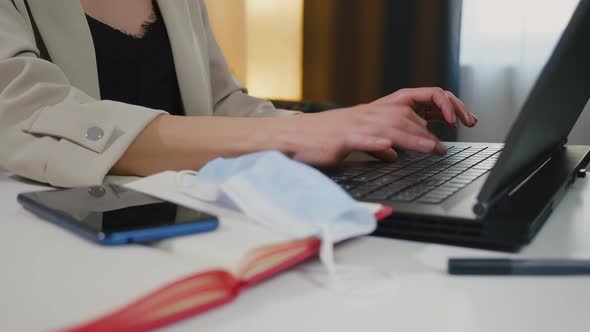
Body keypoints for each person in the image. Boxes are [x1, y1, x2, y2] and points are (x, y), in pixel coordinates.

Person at [0, 0, 477, 188]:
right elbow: (32, 113)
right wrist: (307, 131)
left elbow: (225, 103)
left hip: (181, 218)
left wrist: (355, 126)